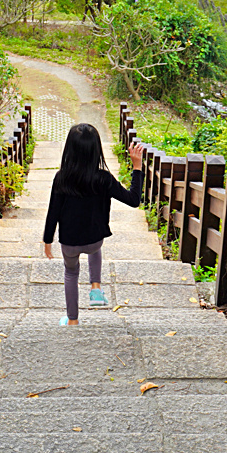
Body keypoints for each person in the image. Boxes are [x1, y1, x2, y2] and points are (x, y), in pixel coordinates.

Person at [42, 123, 144, 326]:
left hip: (70, 242)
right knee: (94, 249)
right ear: (97, 150)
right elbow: (133, 200)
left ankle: (72, 320)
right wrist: (137, 167)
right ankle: (95, 288)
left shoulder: (61, 178)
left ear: (69, 149)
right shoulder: (103, 178)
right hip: (95, 240)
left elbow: (53, 212)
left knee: (71, 273)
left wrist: (47, 240)